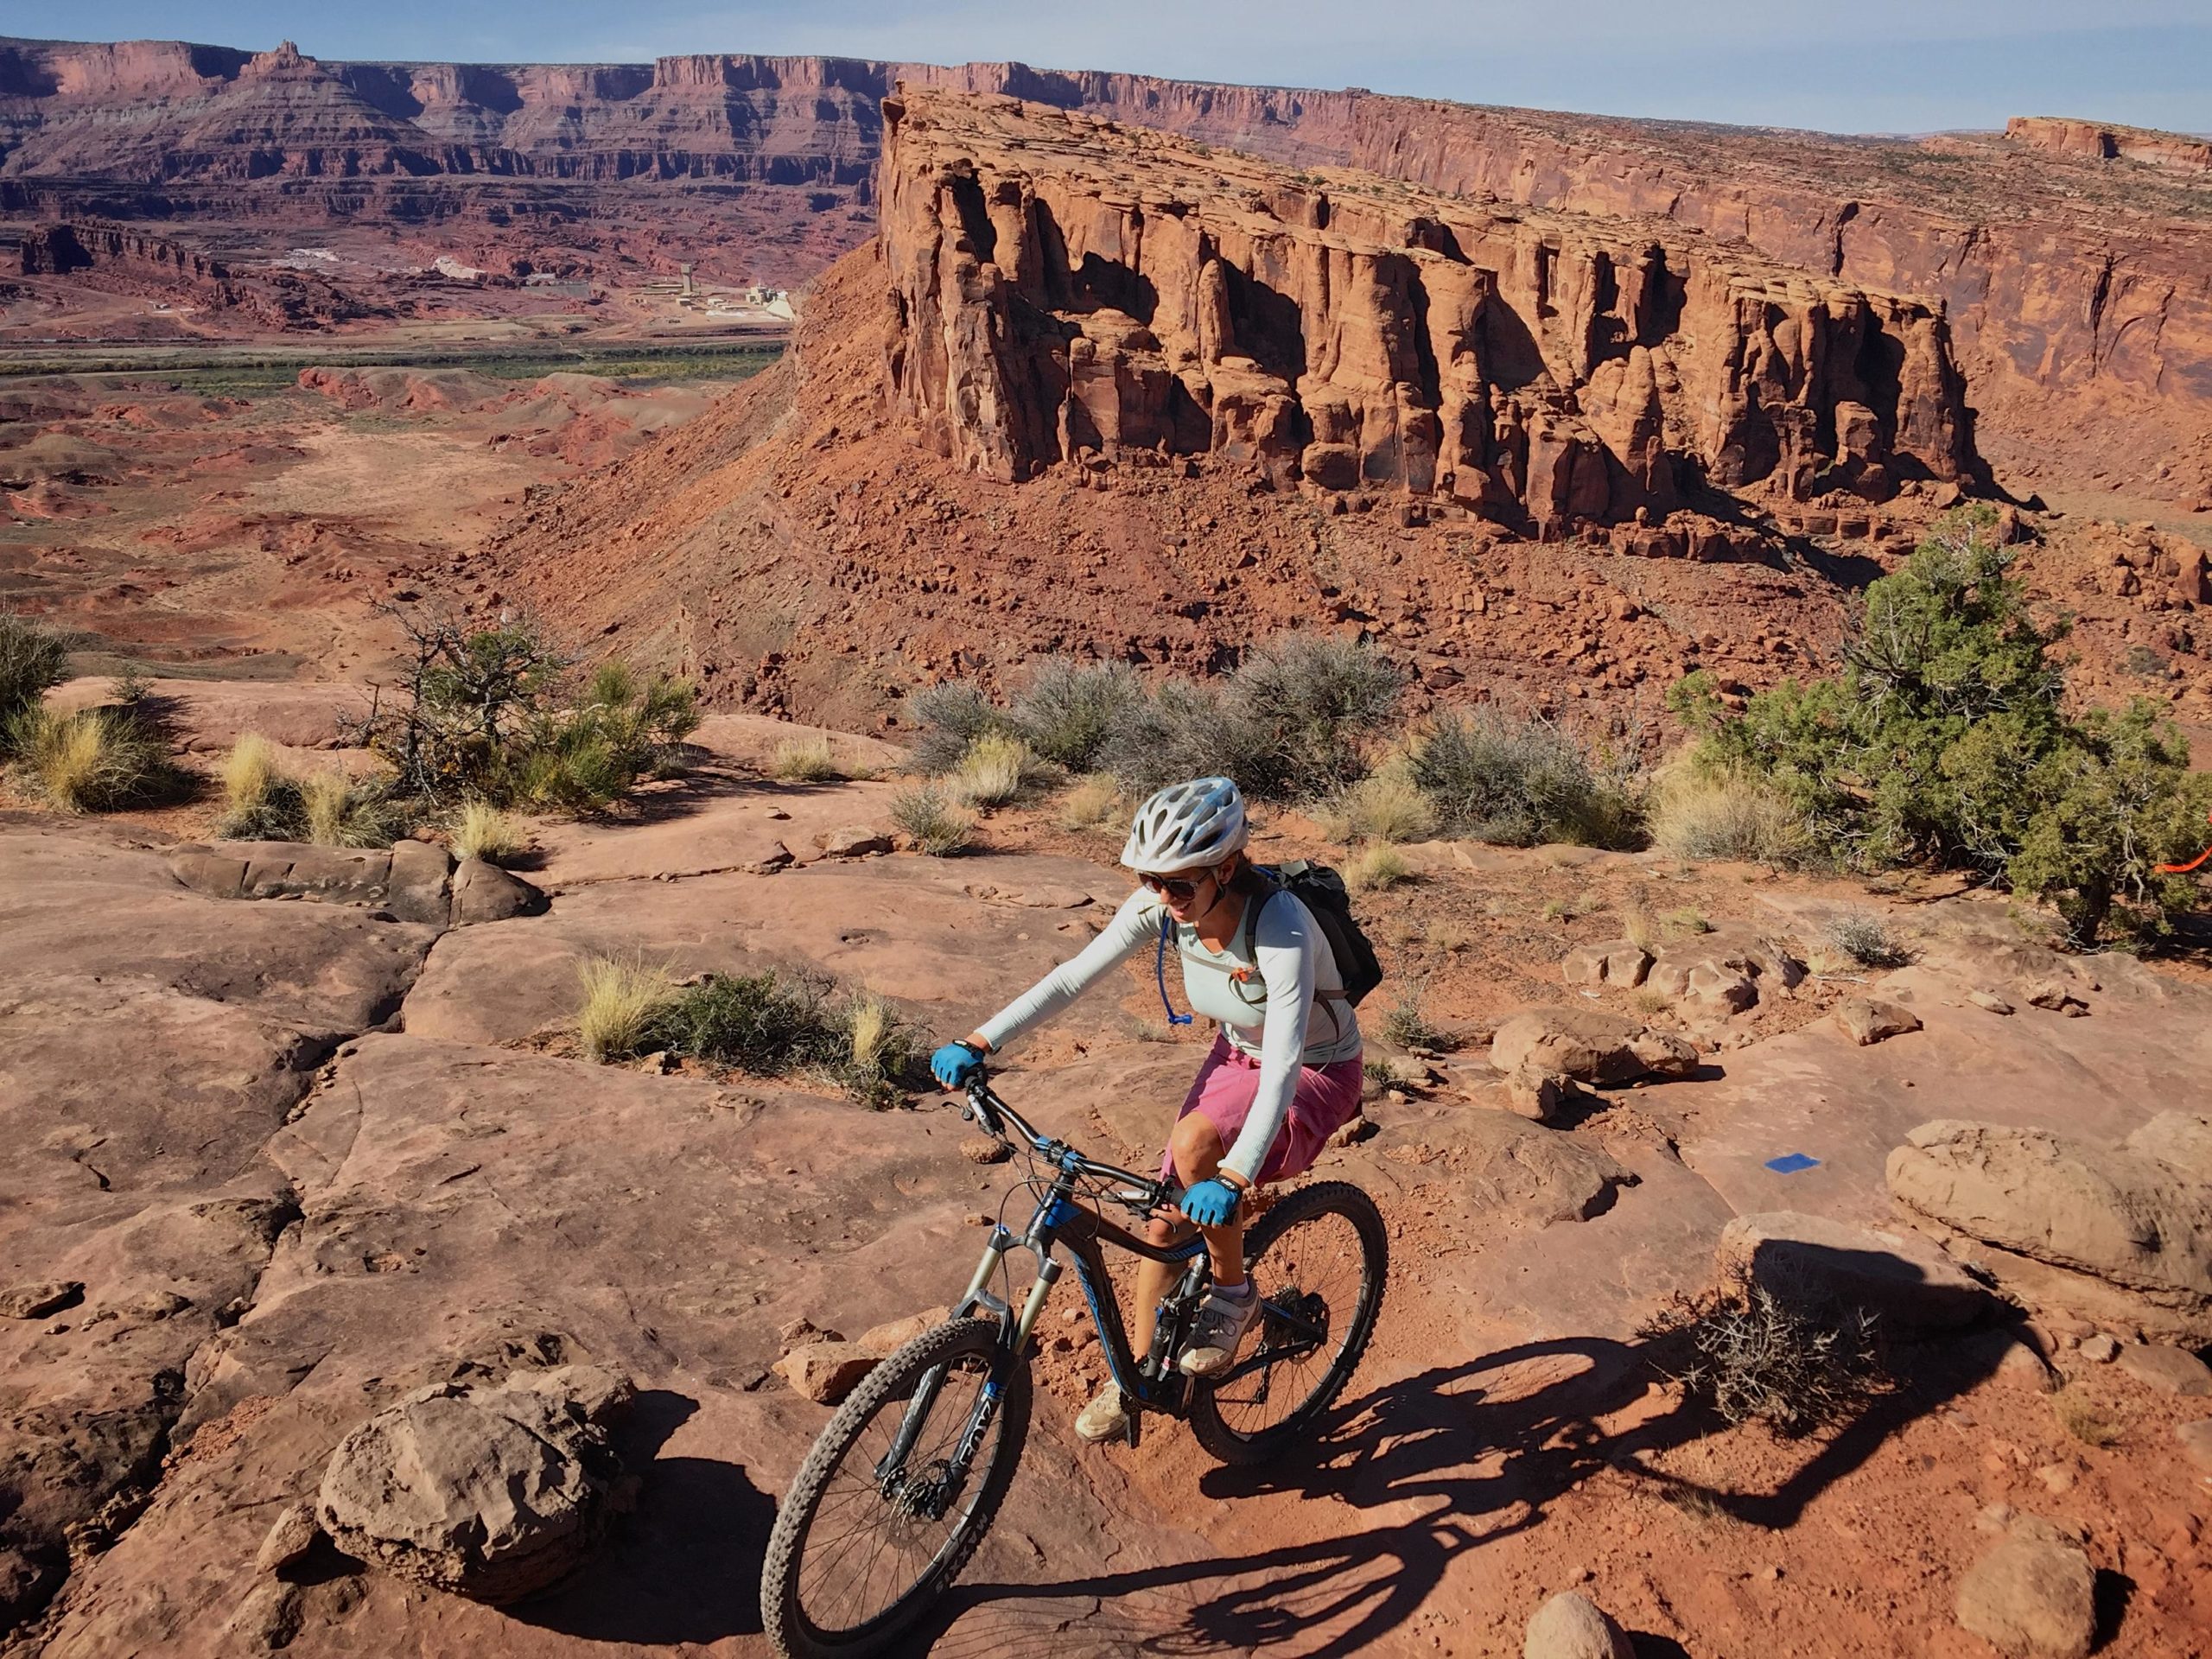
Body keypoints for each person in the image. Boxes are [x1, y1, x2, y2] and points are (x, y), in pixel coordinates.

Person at [928, 775, 1364, 1444]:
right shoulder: (1160, 907)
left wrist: (1236, 1175)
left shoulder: (1280, 926)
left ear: (1225, 868)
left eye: (1179, 885)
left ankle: (1234, 1292)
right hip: (1235, 1057)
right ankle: (1132, 1379)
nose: (1163, 897)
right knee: (1161, 1227)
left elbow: (1282, 1059)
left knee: (1195, 1150)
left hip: (1314, 1068)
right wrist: (981, 1039)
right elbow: (1073, 975)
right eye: (1150, 879)